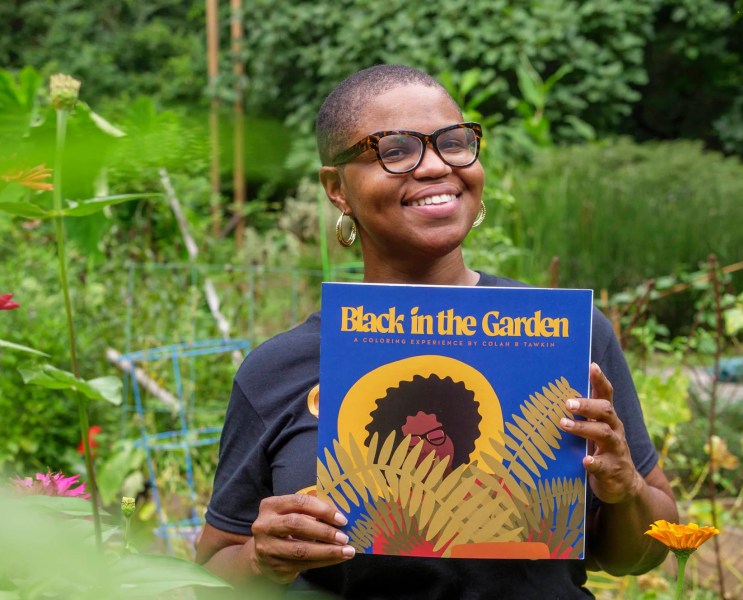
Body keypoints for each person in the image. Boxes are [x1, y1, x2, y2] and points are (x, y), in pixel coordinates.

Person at [195, 64, 679, 599]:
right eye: (395, 150)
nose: (435, 167)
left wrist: (625, 488)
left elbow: (642, 552)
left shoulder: (566, 338)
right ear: (337, 189)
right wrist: (263, 559)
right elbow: (213, 569)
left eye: (453, 143)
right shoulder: (280, 368)